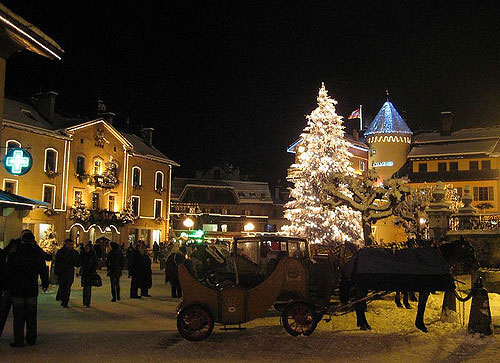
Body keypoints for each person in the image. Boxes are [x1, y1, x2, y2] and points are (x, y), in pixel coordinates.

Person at [5, 232, 49, 347]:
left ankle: (18, 340)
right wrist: (45, 283)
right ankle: (31, 339)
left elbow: (8, 272)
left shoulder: (15, 255)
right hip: (31, 289)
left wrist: (6, 286)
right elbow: (43, 270)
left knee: (18, 317)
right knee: (31, 316)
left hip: (17, 290)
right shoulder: (37, 254)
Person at [54, 239, 81, 308]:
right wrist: (56, 271)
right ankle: (63, 299)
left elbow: (78, 262)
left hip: (69, 272)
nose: (70, 246)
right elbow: (57, 262)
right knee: (63, 286)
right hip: (62, 272)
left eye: (71, 244)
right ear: (66, 244)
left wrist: (77, 263)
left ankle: (65, 301)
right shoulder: (61, 252)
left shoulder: (74, 252)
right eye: (69, 244)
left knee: (68, 287)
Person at [80, 243, 98, 308]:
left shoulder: (92, 255)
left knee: (88, 288)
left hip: (90, 273)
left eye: (87, 248)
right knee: (85, 288)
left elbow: (96, 264)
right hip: (84, 273)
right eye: (85, 248)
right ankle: (84, 302)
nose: (86, 249)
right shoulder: (83, 255)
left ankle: (87, 302)